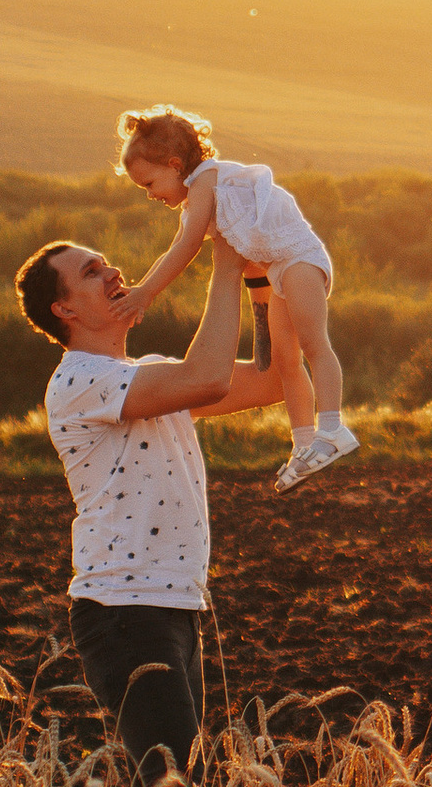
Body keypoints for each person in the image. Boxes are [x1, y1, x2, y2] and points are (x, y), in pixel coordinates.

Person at [11, 223, 292, 787]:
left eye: (107, 261)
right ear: (64, 310)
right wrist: (221, 260)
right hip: (124, 612)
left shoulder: (151, 376)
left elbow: (271, 380)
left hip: (173, 606)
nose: (113, 272)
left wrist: (260, 282)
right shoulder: (79, 383)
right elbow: (209, 376)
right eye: (91, 272)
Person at [113, 103, 357, 494]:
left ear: (175, 165)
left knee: (314, 344)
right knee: (285, 362)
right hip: (277, 272)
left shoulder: (208, 179)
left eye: (149, 184)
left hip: (298, 258)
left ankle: (333, 428)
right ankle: (305, 444)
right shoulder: (197, 201)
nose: (149, 195)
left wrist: (146, 292)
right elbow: (218, 253)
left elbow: (188, 246)